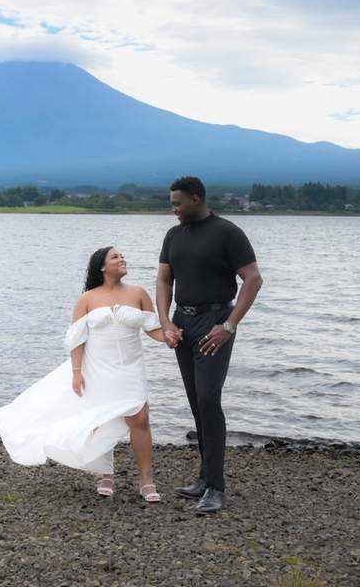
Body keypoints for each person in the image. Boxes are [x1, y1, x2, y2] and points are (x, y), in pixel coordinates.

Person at [0, 246, 172, 501]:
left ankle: (146, 481)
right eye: (115, 257)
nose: (122, 259)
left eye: (122, 256)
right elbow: (76, 339)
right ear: (101, 266)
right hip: (97, 366)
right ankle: (105, 474)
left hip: (130, 367)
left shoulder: (138, 293)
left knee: (139, 419)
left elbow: (153, 329)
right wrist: (77, 372)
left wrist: (171, 337)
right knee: (100, 419)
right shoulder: (87, 298)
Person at [157, 175, 262, 515]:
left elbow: (253, 279)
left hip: (214, 322)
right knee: (195, 401)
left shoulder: (228, 233)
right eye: (172, 203)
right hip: (183, 324)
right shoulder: (173, 235)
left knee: (208, 398)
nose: (173, 208)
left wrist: (229, 326)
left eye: (177, 203)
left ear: (197, 199)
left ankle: (216, 487)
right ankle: (204, 477)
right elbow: (163, 279)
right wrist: (167, 322)